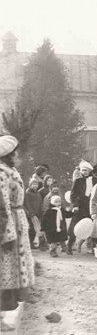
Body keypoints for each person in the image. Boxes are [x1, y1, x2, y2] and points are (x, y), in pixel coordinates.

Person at [0, 135, 35, 320]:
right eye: (16, 153)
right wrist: (6, 235)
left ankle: (3, 315)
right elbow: (1, 206)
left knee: (10, 273)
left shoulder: (9, 171)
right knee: (4, 272)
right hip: (8, 227)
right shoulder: (1, 173)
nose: (19, 156)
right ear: (9, 155)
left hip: (17, 222)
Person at [68, 160, 97, 254]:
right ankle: (69, 245)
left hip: (90, 206)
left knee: (92, 226)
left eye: (86, 170)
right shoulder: (77, 181)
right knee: (74, 226)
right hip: (80, 206)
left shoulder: (95, 180)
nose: (84, 172)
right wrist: (75, 205)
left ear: (90, 171)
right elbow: (73, 195)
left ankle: (93, 247)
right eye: (82, 170)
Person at [23, 179, 42, 249]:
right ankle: (28, 242)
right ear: (30, 185)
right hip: (30, 214)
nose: (35, 186)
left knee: (35, 229)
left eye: (36, 184)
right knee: (31, 228)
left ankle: (31, 242)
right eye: (33, 184)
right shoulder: (27, 193)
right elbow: (26, 203)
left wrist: (39, 211)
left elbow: (40, 202)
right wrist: (30, 212)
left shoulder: (38, 193)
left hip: (37, 213)